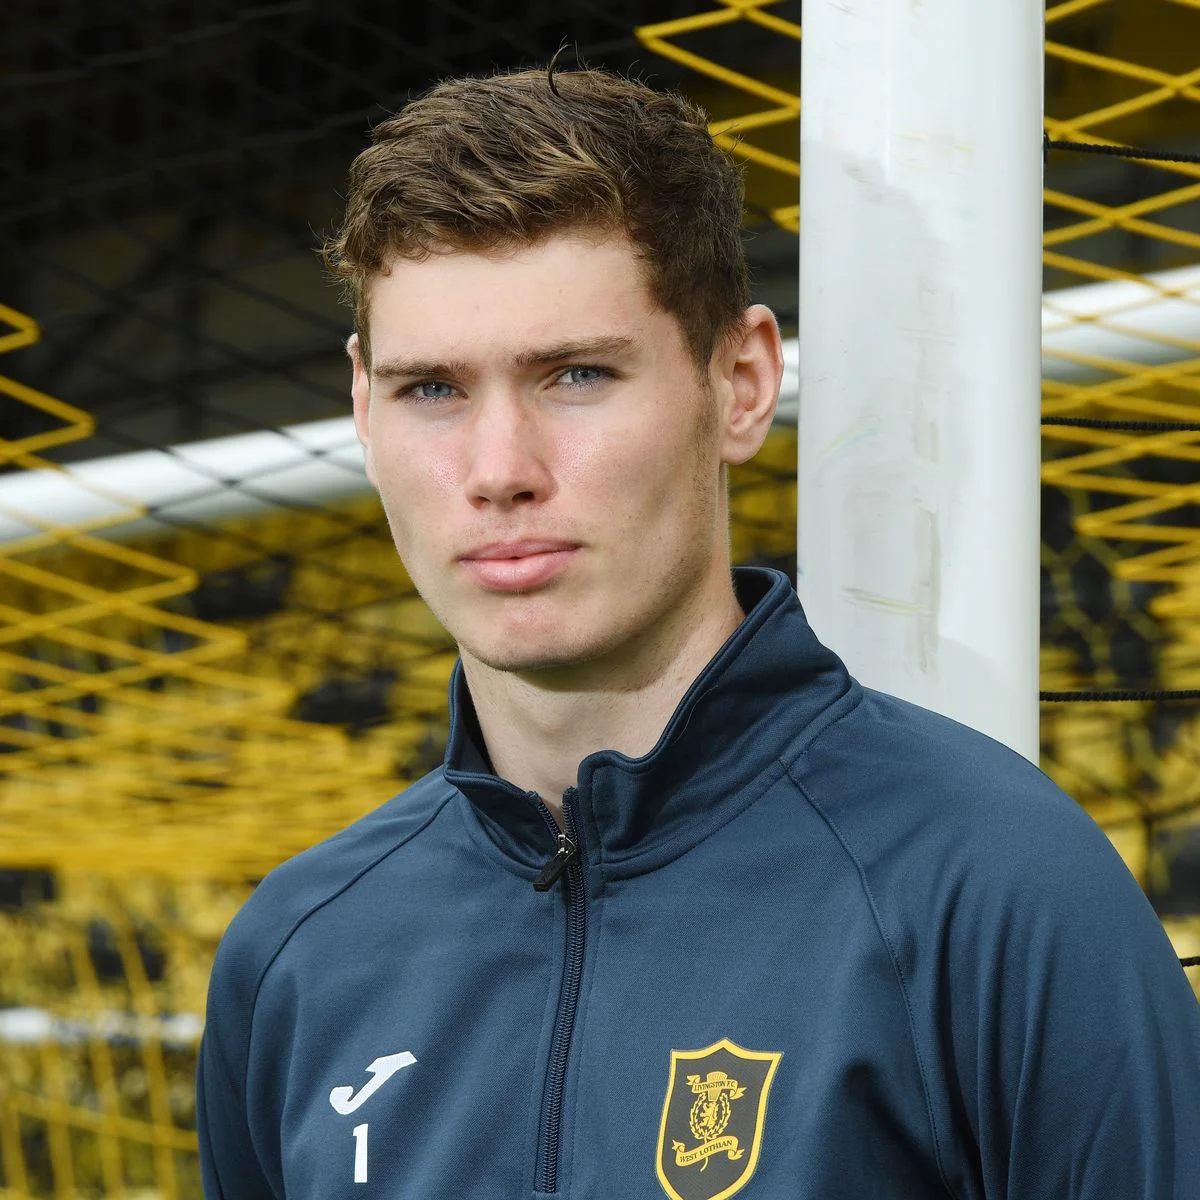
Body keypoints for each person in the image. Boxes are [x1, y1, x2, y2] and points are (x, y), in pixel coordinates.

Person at [196, 64, 1200, 1200]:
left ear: (741, 382)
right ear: (363, 410)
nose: (498, 469)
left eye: (576, 375)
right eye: (432, 390)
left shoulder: (994, 886)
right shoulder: (297, 954)